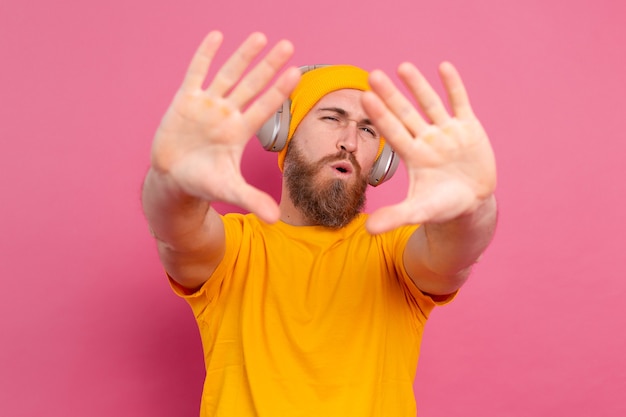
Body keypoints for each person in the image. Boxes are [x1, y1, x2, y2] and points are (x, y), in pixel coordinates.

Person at [142, 30, 497, 417]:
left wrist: (474, 206)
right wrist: (170, 180)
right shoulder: (235, 247)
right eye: (332, 118)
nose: (350, 141)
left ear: (381, 159)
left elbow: (455, 252)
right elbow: (176, 229)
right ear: (284, 132)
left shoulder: (393, 251)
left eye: (367, 129)